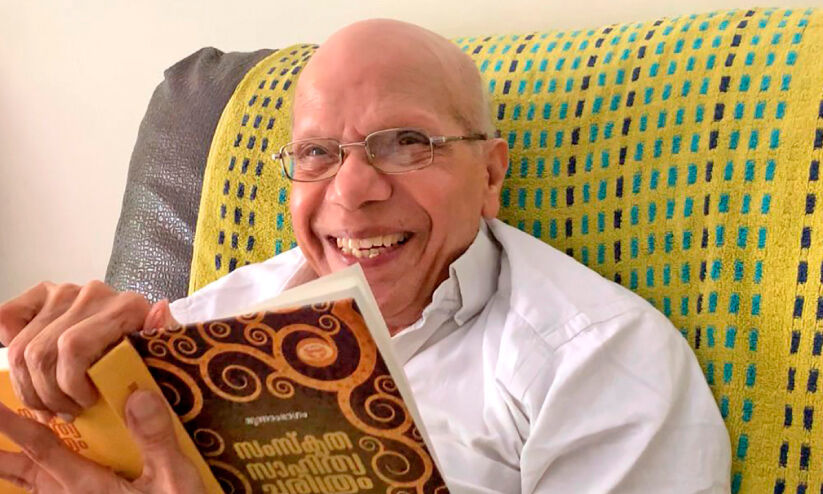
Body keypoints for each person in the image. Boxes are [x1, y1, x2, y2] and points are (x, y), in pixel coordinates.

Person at [0, 18, 731, 493]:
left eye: (407, 143)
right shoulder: (210, 318)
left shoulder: (597, 360)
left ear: (490, 176)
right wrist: (61, 364)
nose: (352, 192)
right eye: (318, 153)